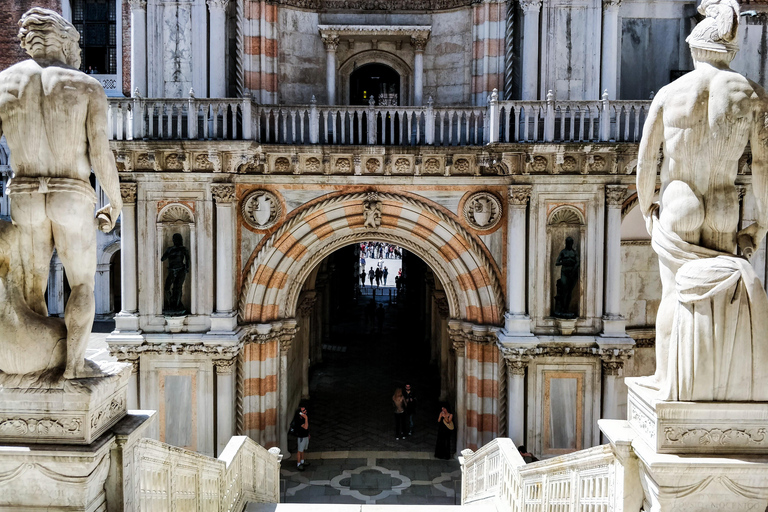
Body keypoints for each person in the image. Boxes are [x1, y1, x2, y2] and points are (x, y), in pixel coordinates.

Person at [636, 0, 768, 401]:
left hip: (680, 203)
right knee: (721, 297)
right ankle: (717, 385)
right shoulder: (753, 95)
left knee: (675, 295)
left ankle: (667, 379)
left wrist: (646, 208)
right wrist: (762, 222)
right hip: (726, 206)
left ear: (696, 49)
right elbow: (762, 165)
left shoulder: (670, 93)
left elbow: (645, 161)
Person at [0, 8, 122, 379]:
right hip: (71, 191)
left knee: (31, 288)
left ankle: (31, 367)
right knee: (82, 281)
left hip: (23, 191)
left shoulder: (4, 82)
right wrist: (114, 201)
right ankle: (73, 367)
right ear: (67, 42)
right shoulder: (84, 85)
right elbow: (100, 153)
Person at [161, 233, 190, 314]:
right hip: (172, 270)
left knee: (177, 288)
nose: (176, 241)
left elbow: (187, 260)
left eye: (177, 239)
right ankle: (172, 303)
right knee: (167, 288)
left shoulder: (183, 249)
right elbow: (163, 259)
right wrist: (170, 251)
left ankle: (176, 305)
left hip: (181, 270)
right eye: (175, 239)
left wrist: (186, 269)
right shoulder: (170, 249)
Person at [292, 405, 310, 470]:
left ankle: (302, 461)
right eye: (303, 411)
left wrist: (308, 434)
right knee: (300, 451)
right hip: (301, 437)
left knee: (303, 450)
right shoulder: (299, 419)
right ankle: (299, 463)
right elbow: (305, 427)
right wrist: (306, 418)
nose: (305, 411)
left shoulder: (303, 418)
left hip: (305, 436)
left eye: (305, 410)